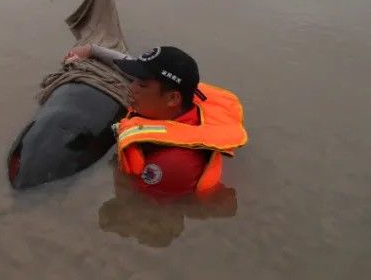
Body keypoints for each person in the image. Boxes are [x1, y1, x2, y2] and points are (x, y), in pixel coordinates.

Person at [65, 44, 247, 197]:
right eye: (135, 79)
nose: (131, 85)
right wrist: (91, 50)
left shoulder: (171, 164)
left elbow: (144, 210)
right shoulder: (169, 99)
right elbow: (125, 63)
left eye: (141, 84)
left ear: (172, 99)